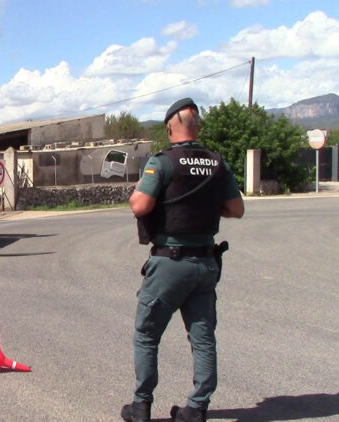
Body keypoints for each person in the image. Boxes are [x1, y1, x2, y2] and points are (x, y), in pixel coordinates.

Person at [121, 98, 244, 422]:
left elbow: (140, 206)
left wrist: (142, 193)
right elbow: (236, 210)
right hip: (206, 264)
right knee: (202, 338)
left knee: (147, 334)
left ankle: (141, 406)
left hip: (170, 263)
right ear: (198, 126)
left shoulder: (162, 163)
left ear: (170, 127)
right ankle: (197, 408)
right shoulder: (218, 164)